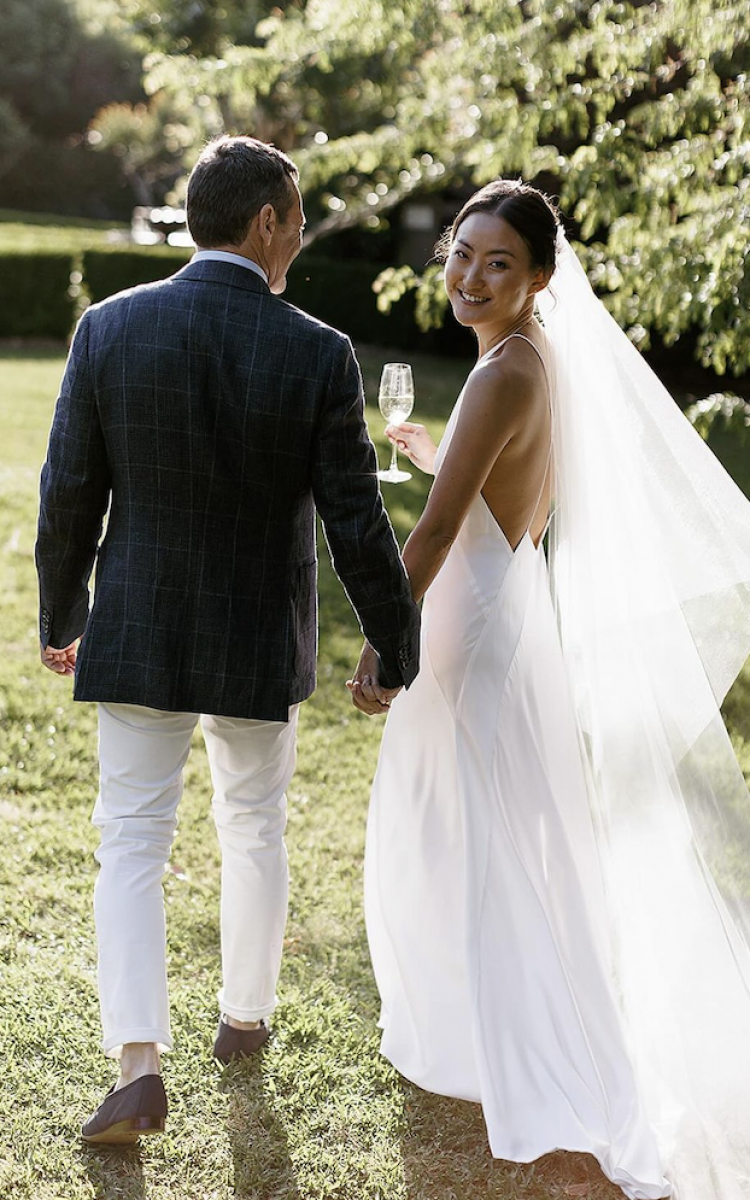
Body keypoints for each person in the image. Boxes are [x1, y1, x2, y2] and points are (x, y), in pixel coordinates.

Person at [349, 180, 750, 1199]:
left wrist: (387, 640)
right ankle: (485, 1033)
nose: (470, 277)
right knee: (476, 821)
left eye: (497, 264)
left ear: (539, 278)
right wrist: (434, 457)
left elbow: (438, 531)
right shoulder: (534, 360)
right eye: (461, 254)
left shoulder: (500, 372)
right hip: (504, 602)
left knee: (473, 832)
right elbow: (503, 497)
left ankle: (523, 1051)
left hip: (470, 618)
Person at [35, 134, 420, 1145]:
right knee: (254, 825)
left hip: (142, 621)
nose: (297, 235)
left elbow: (68, 487)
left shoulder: (108, 328)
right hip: (255, 631)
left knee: (130, 840)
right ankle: (242, 1018)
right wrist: (394, 641)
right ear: (265, 223)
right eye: (296, 217)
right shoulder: (317, 350)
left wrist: (61, 613)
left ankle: (136, 1066)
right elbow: (356, 521)